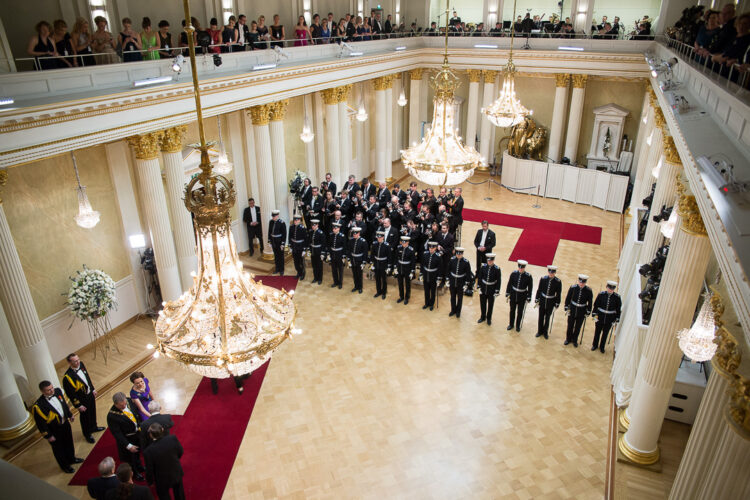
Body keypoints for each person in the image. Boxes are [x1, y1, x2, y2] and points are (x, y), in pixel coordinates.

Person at [32, 380, 81, 473]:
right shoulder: (38, 406)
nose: (51, 391)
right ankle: (65, 466)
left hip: (65, 424)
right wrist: (48, 435)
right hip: (54, 430)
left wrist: (70, 414)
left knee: (69, 442)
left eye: (52, 388)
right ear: (42, 392)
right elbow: (40, 423)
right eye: (48, 390)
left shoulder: (57, 391)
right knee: (59, 449)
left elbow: (63, 405)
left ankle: (72, 458)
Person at [63, 352, 104, 443]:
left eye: (78, 360)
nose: (78, 362)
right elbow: (71, 394)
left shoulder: (81, 364)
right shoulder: (67, 377)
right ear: (70, 363)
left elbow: (87, 378)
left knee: (92, 411)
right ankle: (87, 434)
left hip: (89, 394)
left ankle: (94, 427)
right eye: (75, 361)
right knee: (85, 417)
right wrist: (78, 405)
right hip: (81, 399)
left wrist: (92, 389)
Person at [107, 392, 144, 481]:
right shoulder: (112, 416)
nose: (124, 406)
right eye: (121, 405)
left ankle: (139, 466)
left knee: (138, 453)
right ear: (115, 404)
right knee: (130, 459)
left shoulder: (128, 401)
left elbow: (136, 412)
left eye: (124, 403)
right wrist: (128, 446)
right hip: (128, 439)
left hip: (137, 434)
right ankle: (135, 473)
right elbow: (117, 434)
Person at [143, 423, 185, 500]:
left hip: (161, 478)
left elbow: (149, 469)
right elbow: (180, 452)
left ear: (151, 435)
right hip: (175, 471)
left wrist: (150, 481)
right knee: (179, 494)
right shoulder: (172, 438)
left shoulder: (148, 451)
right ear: (162, 430)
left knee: (164, 496)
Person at [591, 281, 622, 353]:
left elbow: (618, 309)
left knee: (605, 334)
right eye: (609, 288)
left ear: (614, 289)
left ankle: (602, 347)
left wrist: (617, 318)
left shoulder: (617, 297)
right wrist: (594, 315)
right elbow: (596, 305)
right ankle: (595, 345)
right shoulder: (601, 295)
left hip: (610, 318)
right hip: (600, 317)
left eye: (612, 288)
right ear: (606, 287)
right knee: (597, 332)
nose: (610, 290)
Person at [564, 274, 593, 347]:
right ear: (578, 281)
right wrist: (566, 306)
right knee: (570, 325)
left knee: (578, 327)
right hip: (572, 309)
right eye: (580, 282)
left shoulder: (588, 291)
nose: (581, 284)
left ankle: (575, 340)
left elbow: (590, 302)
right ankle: (568, 339)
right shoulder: (573, 288)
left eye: (583, 282)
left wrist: (588, 311)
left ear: (585, 282)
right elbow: (568, 298)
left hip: (581, 311)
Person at [534, 266, 562, 339]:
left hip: (551, 301)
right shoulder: (543, 279)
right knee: (540, 317)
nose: (550, 274)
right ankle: (539, 331)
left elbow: (558, 293)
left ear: (555, 273)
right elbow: (539, 289)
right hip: (543, 300)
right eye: (549, 272)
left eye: (552, 273)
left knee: (547, 318)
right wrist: (537, 298)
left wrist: (557, 303)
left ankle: (545, 332)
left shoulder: (558, 282)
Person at [506, 260, 533, 332]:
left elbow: (530, 288)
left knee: (520, 312)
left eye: (522, 268)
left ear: (524, 268)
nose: (520, 269)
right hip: (513, 295)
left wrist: (529, 296)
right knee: (512, 311)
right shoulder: (513, 274)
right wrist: (507, 292)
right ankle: (511, 324)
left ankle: (518, 325)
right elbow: (509, 284)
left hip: (522, 296)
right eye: (519, 268)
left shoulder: (528, 276)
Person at [477, 254, 501, 325]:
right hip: (483, 288)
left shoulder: (497, 269)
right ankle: (482, 316)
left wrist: (497, 290)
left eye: (491, 261)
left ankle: (489, 318)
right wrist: (479, 286)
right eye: (488, 260)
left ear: (493, 260)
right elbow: (480, 277)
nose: (489, 262)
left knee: (490, 305)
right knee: (482, 304)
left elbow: (498, 280)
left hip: (491, 289)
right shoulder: (483, 267)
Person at [447, 247, 471, 318]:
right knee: (452, 297)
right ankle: (453, 310)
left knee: (460, 298)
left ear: (462, 254)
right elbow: (448, 270)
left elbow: (468, 273)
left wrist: (466, 283)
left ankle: (458, 311)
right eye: (457, 254)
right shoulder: (452, 260)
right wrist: (448, 279)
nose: (458, 255)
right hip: (453, 281)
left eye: (460, 254)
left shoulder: (466, 262)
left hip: (461, 282)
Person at [394, 236, 415, 305]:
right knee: (400, 283)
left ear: (408, 242)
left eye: (405, 243)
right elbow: (396, 258)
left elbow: (413, 262)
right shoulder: (399, 248)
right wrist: (395, 267)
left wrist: (412, 271)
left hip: (407, 268)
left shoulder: (411, 250)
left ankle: (407, 297)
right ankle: (401, 296)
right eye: (402, 242)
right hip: (400, 268)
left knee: (407, 284)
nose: (403, 244)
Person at [370, 231, 391, 299]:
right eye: (378, 238)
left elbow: (389, 257)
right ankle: (378, 291)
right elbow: (372, 254)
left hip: (383, 264)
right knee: (377, 278)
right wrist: (372, 263)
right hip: (376, 263)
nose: (378, 239)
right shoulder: (374, 244)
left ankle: (384, 292)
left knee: (384, 279)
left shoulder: (387, 245)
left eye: (380, 237)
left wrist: (388, 266)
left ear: (383, 237)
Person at [348, 226, 368, 293]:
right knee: (354, 274)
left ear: (359, 233)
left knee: (359, 275)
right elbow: (349, 250)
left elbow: (365, 253)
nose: (354, 235)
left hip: (359, 260)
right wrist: (349, 260)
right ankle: (356, 286)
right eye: (353, 234)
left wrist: (364, 262)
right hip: (353, 259)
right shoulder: (351, 240)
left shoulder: (363, 241)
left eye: (355, 234)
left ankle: (360, 287)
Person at [421, 241, 440, 310]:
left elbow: (440, 268)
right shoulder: (425, 254)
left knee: (432, 291)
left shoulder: (438, 256)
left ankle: (432, 304)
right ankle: (426, 303)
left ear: (435, 248)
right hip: (426, 275)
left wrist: (439, 278)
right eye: (430, 248)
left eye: (432, 248)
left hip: (433, 276)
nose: (431, 249)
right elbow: (422, 264)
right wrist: (421, 273)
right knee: (426, 290)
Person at [289, 214, 308, 280]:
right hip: (294, 246)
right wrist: (290, 246)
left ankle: (303, 273)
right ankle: (298, 272)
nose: (295, 222)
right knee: (295, 262)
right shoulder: (291, 227)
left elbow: (306, 239)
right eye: (294, 220)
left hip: (300, 247)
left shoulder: (303, 228)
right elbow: (290, 237)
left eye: (297, 220)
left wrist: (304, 250)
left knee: (301, 262)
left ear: (300, 221)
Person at [308, 219, 326, 284]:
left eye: (314, 225)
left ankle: (320, 279)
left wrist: (323, 253)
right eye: (312, 225)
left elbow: (323, 244)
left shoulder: (321, 233)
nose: (313, 226)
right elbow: (309, 242)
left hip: (319, 251)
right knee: (314, 265)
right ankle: (315, 278)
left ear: (317, 225)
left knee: (319, 266)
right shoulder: (311, 232)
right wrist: (309, 250)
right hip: (313, 251)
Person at [268, 210, 287, 275]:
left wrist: (283, 243)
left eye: (274, 216)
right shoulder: (271, 222)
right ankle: (277, 268)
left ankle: (281, 270)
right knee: (276, 256)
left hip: (279, 242)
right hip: (273, 241)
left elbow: (284, 234)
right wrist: (269, 241)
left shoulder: (282, 223)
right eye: (272, 216)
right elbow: (269, 231)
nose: (273, 218)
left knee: (281, 256)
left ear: (277, 216)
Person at [328, 222, 346, 288]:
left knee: (340, 270)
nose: (334, 229)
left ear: (338, 229)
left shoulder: (342, 236)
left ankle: (340, 283)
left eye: (335, 228)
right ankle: (335, 282)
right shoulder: (331, 235)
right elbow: (329, 245)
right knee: (334, 269)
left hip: (339, 254)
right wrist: (329, 254)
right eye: (333, 228)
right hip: (333, 254)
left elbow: (344, 247)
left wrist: (343, 256)